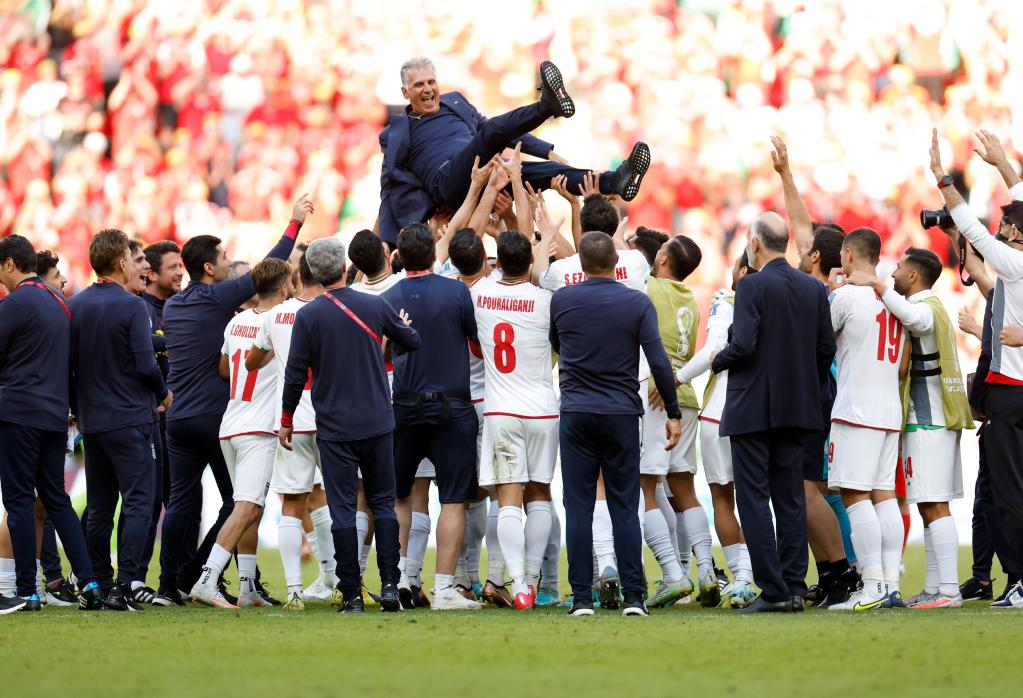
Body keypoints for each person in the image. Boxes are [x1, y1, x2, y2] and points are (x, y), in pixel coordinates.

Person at [155, 194, 310, 607]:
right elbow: (269, 267)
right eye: (223, 257)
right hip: (217, 417)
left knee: (181, 503)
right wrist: (294, 223)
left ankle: (170, 585)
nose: (228, 262)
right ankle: (198, 575)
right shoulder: (217, 299)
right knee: (240, 504)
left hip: (178, 417)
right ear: (209, 268)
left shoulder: (174, 306)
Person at [280, 237, 420, 613]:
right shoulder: (375, 305)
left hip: (334, 427)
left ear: (313, 273)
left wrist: (287, 418)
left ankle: (352, 593)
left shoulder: (308, 316)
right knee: (383, 504)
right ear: (344, 267)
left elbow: (295, 374)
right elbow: (412, 341)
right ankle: (390, 584)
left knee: (342, 509)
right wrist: (399, 329)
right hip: (377, 421)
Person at [378, 57, 650, 245]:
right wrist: (389, 242)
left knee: (548, 173)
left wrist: (546, 151)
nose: (427, 89)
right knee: (490, 136)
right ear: (405, 92)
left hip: (488, 171)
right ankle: (546, 107)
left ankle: (615, 181)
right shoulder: (395, 132)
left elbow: (502, 130)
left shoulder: (455, 101)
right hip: (449, 182)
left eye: (431, 82)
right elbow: (391, 186)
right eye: (419, 85)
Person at [551, 232, 682, 617]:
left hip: (576, 412)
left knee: (578, 506)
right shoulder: (637, 303)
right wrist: (673, 412)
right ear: (615, 262)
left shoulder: (562, 300)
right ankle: (634, 597)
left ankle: (581, 598)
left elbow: (556, 343)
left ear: (581, 263)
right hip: (622, 413)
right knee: (626, 505)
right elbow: (658, 361)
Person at [711, 212, 836, 614]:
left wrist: (717, 359)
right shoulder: (813, 288)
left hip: (753, 407)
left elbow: (744, 344)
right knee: (790, 498)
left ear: (755, 243)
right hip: (798, 408)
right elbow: (826, 350)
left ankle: (774, 590)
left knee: (753, 498)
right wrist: (803, 383)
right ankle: (794, 587)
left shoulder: (751, 285)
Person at [846, 247, 974, 608]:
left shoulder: (927, 308)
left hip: (930, 421)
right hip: (929, 421)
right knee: (926, 505)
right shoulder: (928, 306)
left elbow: (914, 320)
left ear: (914, 275)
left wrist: (875, 285)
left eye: (899, 267)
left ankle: (948, 590)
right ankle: (935, 587)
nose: (893, 273)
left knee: (935, 504)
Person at [931, 127, 1023, 608]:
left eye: (1009, 224)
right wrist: (1004, 165)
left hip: (1010, 390)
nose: (1002, 228)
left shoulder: (1013, 264)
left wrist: (942, 178)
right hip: (1012, 390)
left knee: (1007, 492)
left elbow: (973, 229)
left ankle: (1019, 580)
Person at [0, 234, 104, 612]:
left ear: (10, 264)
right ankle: (89, 582)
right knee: (57, 499)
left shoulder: (14, 303)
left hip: (17, 413)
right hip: (54, 416)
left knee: (19, 501)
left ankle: (27, 590)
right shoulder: (60, 303)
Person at [69, 230, 172, 612]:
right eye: (131, 258)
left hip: (93, 423)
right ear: (120, 262)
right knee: (140, 502)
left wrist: (77, 409)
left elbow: (69, 367)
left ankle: (98, 581)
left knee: (99, 506)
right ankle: (126, 584)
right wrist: (163, 394)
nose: (134, 264)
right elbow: (146, 364)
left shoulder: (76, 305)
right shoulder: (132, 306)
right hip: (131, 419)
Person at [382, 223, 483, 610]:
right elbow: (474, 343)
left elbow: (384, 356)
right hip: (452, 405)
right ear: (433, 253)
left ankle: (399, 580)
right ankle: (443, 589)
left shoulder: (388, 297)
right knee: (454, 498)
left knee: (399, 496)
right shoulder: (457, 291)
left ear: (399, 257)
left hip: (405, 404)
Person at [189, 258, 293, 609]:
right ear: (284, 287)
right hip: (258, 428)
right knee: (247, 506)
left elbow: (224, 368)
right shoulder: (281, 321)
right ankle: (207, 579)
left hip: (231, 424)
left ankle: (248, 586)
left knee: (249, 507)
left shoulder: (236, 322)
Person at [246, 246, 337, 610]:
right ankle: (338, 580)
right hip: (330, 417)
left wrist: (277, 350)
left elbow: (251, 362)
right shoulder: (332, 310)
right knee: (334, 500)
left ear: (297, 278)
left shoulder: (276, 315)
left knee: (292, 504)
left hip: (291, 420)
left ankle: (295, 592)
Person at [471, 229, 558, 611]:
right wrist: (545, 238)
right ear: (530, 261)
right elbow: (543, 278)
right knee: (539, 494)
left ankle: (518, 583)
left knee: (507, 500)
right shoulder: (546, 301)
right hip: (543, 410)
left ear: (498, 262)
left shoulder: (479, 294)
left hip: (502, 410)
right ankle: (533, 582)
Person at [825, 228, 906, 611]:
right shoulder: (893, 298)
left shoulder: (845, 296)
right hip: (889, 410)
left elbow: (819, 342)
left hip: (857, 410)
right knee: (884, 496)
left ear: (849, 255)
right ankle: (890, 584)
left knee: (856, 496)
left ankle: (871, 586)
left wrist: (831, 292)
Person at [674, 252, 757, 609]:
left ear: (742, 270)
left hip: (720, 411)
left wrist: (677, 378)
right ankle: (750, 577)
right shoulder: (777, 303)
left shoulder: (728, 300)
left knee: (722, 497)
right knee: (755, 498)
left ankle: (738, 579)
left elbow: (712, 350)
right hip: (759, 413)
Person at [640, 234, 707, 608]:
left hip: (656, 396)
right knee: (684, 491)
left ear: (663, 258)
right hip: (687, 399)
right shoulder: (690, 300)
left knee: (646, 488)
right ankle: (705, 572)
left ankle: (672, 574)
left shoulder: (650, 288)